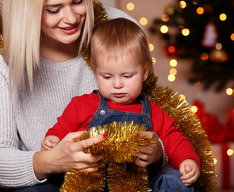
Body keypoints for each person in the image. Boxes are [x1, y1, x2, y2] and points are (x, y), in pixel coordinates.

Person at [0, 0, 165, 191]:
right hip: (47, 182)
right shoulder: (6, 67)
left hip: (120, 177)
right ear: (27, 10)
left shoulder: (118, 29)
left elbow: (158, 115)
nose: (70, 18)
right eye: (54, 9)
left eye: (77, 1)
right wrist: (51, 161)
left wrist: (158, 151)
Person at [42, 18, 200, 190]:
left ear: (145, 72)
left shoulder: (153, 111)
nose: (117, 85)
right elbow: (61, 129)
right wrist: (53, 140)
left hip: (139, 182)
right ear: (95, 71)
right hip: (91, 180)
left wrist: (188, 160)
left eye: (127, 76)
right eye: (107, 77)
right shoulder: (82, 104)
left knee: (172, 179)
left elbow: (175, 141)